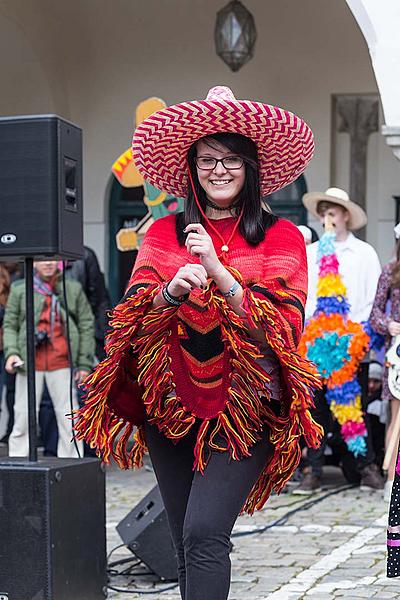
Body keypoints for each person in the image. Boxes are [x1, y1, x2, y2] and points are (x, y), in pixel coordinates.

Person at [75, 86, 323, 600]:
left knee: (205, 531)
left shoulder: (283, 237)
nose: (219, 169)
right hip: (171, 406)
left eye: (231, 158)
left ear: (251, 167)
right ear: (191, 168)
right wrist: (169, 292)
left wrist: (215, 268)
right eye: (207, 159)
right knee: (183, 540)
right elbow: (132, 320)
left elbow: (282, 328)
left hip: (247, 409)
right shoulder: (164, 233)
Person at [295, 187, 383, 494]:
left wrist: (358, 336)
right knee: (315, 409)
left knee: (353, 406)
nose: (327, 218)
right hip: (315, 341)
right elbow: (303, 295)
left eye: (332, 211)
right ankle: (313, 470)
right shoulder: (310, 254)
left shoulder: (364, 254)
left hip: (350, 340)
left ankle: (366, 466)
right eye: (323, 212)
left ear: (345, 215)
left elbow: (372, 299)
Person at [3, 260, 94, 457]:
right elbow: (10, 324)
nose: (48, 263)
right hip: (28, 362)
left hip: (61, 360)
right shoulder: (20, 289)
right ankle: (18, 464)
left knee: (69, 418)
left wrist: (84, 363)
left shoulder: (72, 288)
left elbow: (86, 324)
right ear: (33, 263)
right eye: (42, 259)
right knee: (23, 417)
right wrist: (12, 352)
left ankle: (71, 462)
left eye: (52, 258)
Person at [370, 225, 400, 500]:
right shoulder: (390, 271)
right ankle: (393, 481)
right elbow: (375, 314)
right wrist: (389, 324)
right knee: (396, 417)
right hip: (398, 353)